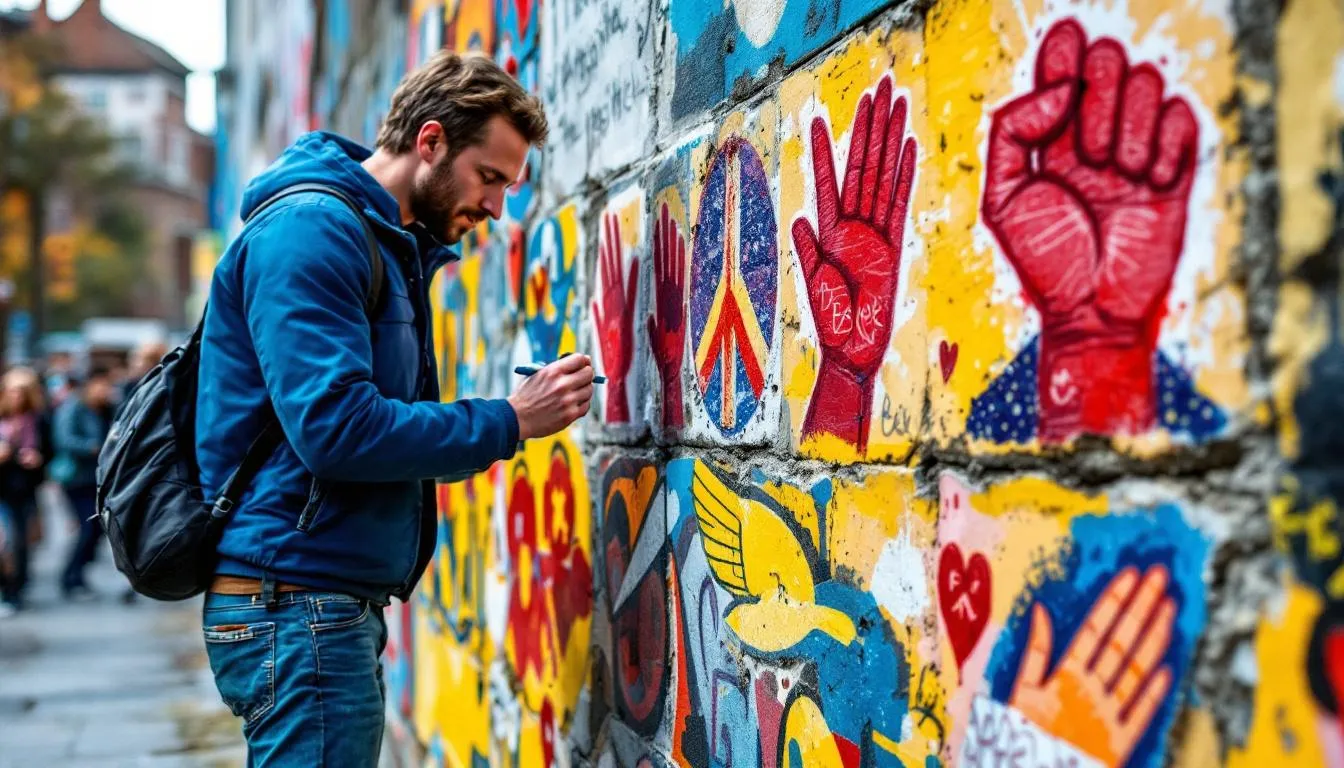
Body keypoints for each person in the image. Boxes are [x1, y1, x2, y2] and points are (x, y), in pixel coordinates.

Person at [193, 50, 594, 766]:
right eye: (490, 177)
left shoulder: (381, 242)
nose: (498, 207)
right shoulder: (313, 231)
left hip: (316, 601)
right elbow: (336, 429)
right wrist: (510, 419)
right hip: (294, 600)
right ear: (431, 141)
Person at [51, 366, 114, 600]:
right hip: (76, 479)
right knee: (87, 529)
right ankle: (71, 577)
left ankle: (78, 576)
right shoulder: (74, 407)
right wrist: (91, 446)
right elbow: (64, 439)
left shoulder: (104, 409)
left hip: (96, 479)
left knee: (96, 530)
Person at [0, 367, 52, 615]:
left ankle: (16, 589)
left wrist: (37, 459)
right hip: (3, 488)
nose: (16, 397)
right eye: (12, 391)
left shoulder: (38, 419)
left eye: (21, 392)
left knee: (22, 542)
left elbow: (51, 451)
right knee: (5, 542)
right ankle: (7, 589)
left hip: (25, 488)